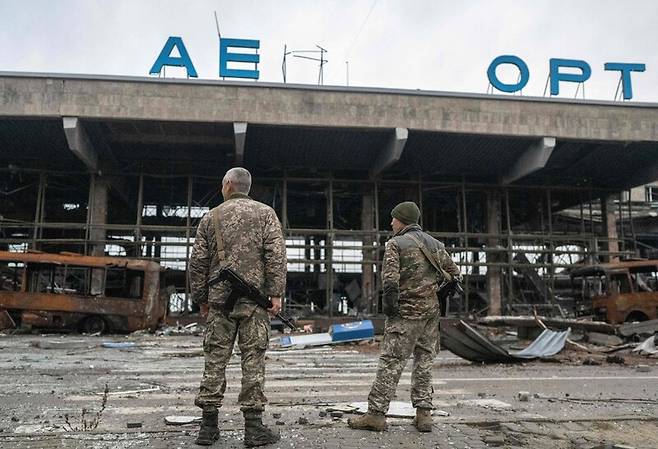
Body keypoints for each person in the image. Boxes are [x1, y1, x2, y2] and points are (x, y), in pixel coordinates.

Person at [189, 167, 287, 447]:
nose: (222, 188)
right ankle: (253, 428)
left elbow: (197, 262)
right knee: (253, 360)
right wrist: (276, 294)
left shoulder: (211, 217)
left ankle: (208, 427)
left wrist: (202, 299)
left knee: (215, 360)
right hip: (255, 305)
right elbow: (276, 255)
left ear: (229, 185)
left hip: (219, 303)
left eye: (222, 185)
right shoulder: (266, 213)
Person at [348, 201, 461, 433]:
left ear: (402, 220)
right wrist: (433, 290)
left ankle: (376, 415)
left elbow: (389, 282)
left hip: (405, 314)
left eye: (393, 218)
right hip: (430, 314)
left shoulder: (395, 244)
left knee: (391, 362)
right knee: (424, 362)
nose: (391, 222)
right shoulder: (435, 244)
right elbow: (454, 273)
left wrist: (390, 308)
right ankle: (424, 415)